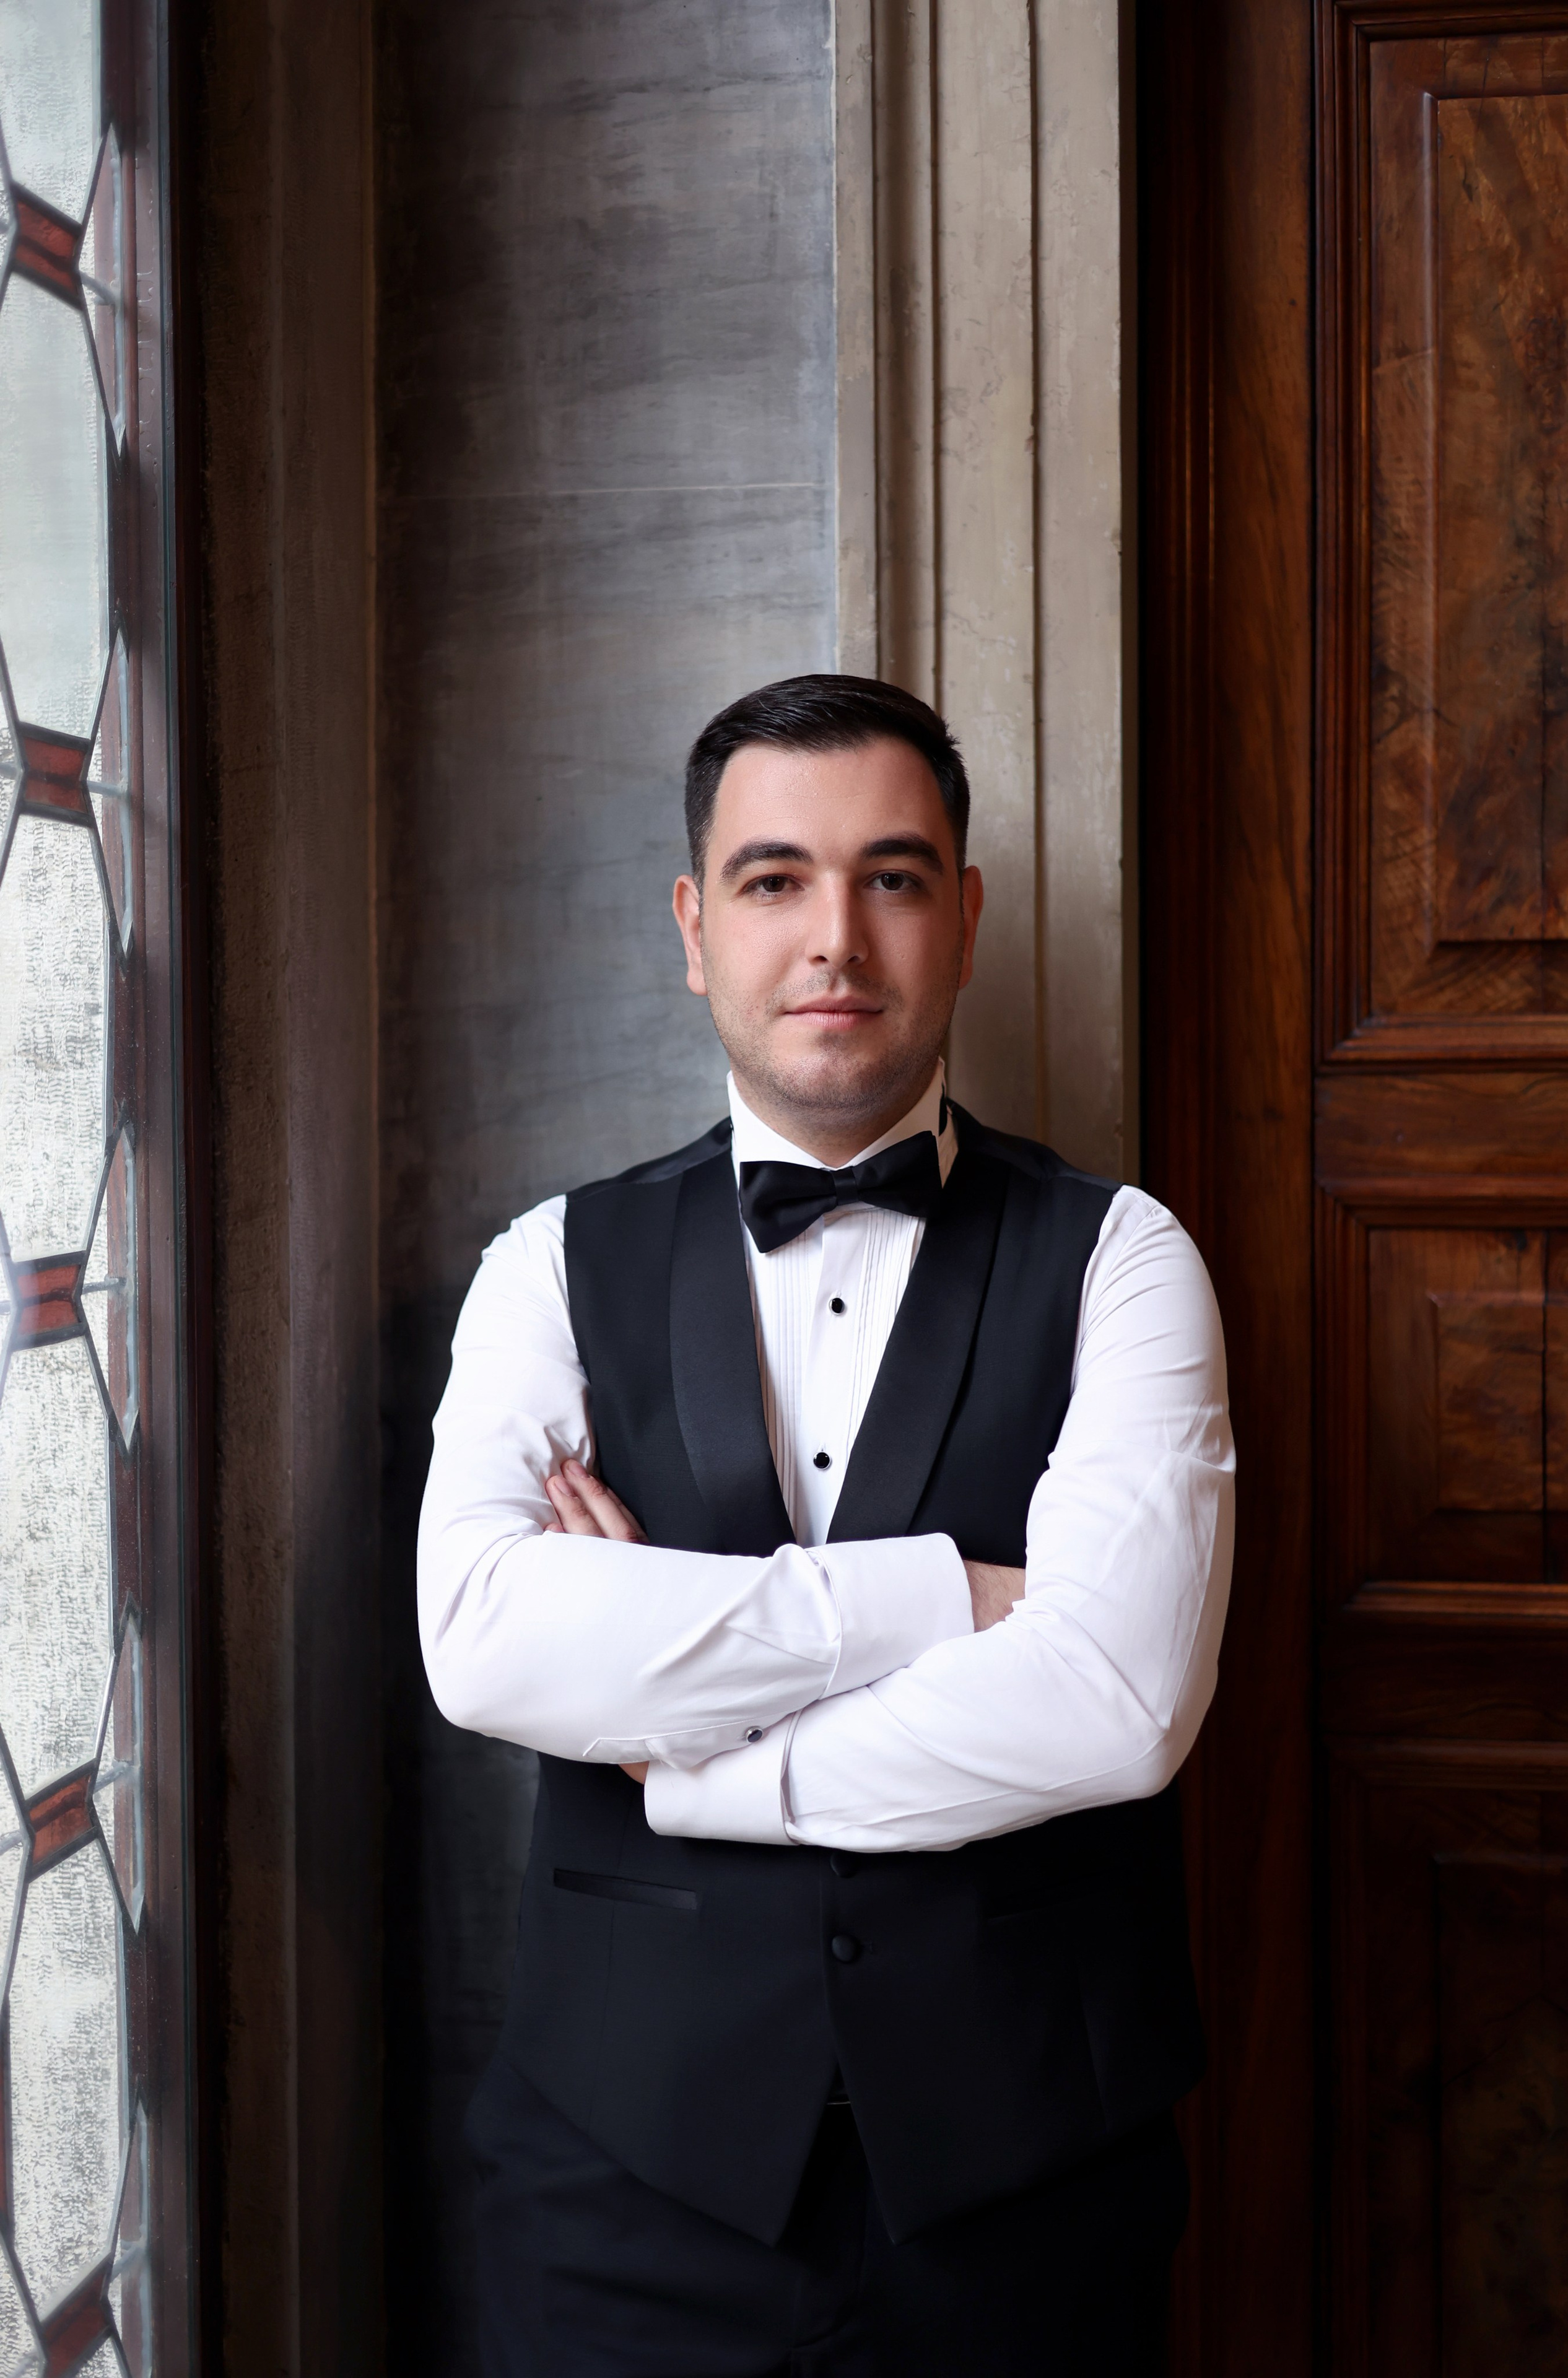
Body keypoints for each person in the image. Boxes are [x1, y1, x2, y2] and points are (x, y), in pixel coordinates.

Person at [417, 674, 1235, 2378]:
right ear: (694, 926)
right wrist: (941, 1600)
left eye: (895, 876)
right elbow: (485, 1642)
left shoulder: (1127, 1258)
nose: (836, 940)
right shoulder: (547, 1266)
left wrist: (697, 1746)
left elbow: (1116, 1703)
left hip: (1030, 2194)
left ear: (967, 915)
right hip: (617, 2187)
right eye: (777, 880)